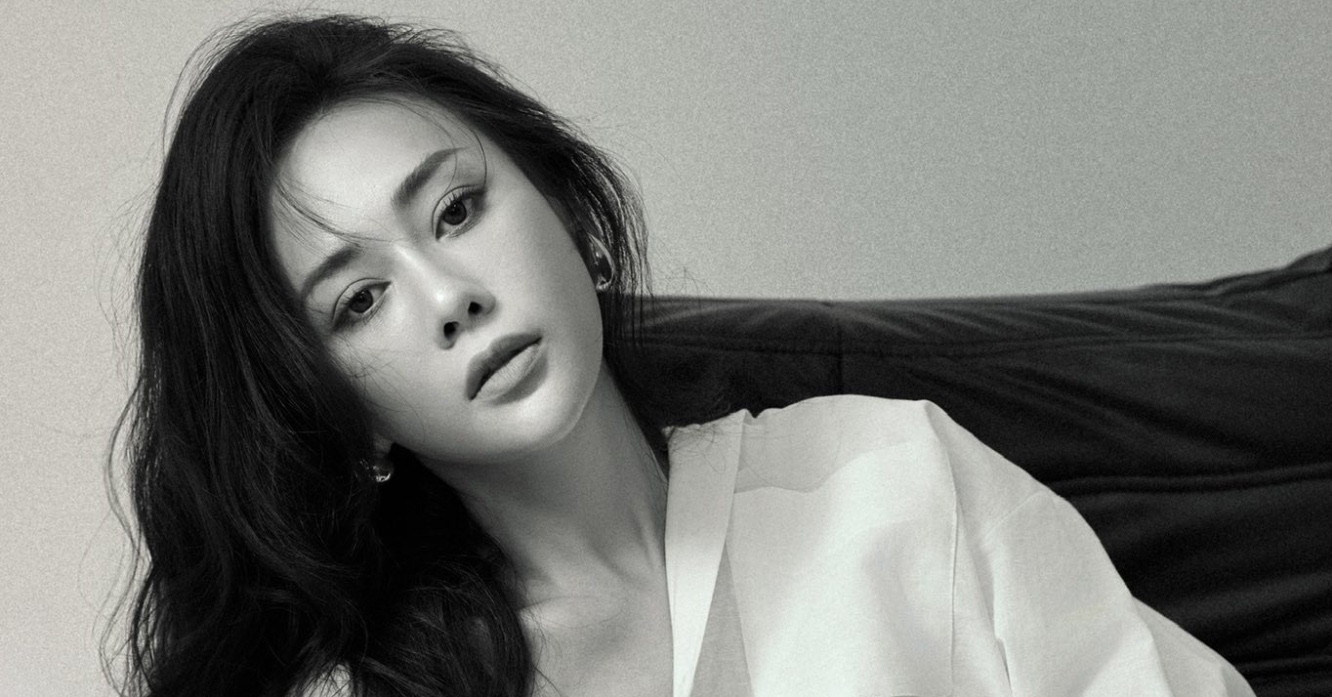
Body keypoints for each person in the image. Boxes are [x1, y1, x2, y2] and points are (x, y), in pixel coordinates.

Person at [113, 14, 1254, 697]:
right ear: (336, 406)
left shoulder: (889, 478)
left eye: (456, 210)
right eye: (360, 300)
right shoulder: (366, 687)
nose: (451, 297)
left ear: (564, 207)